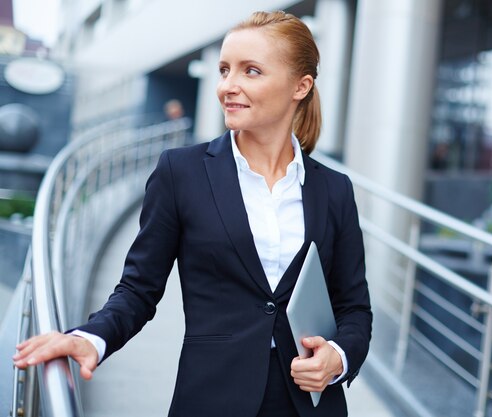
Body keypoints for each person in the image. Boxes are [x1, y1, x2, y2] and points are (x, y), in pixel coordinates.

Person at [13, 10, 372, 417]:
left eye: (250, 71)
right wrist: (91, 338)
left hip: (310, 405)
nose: (227, 86)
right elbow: (137, 290)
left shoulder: (334, 189)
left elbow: (355, 308)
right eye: (224, 69)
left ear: (300, 86)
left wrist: (338, 359)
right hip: (211, 399)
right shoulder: (180, 172)